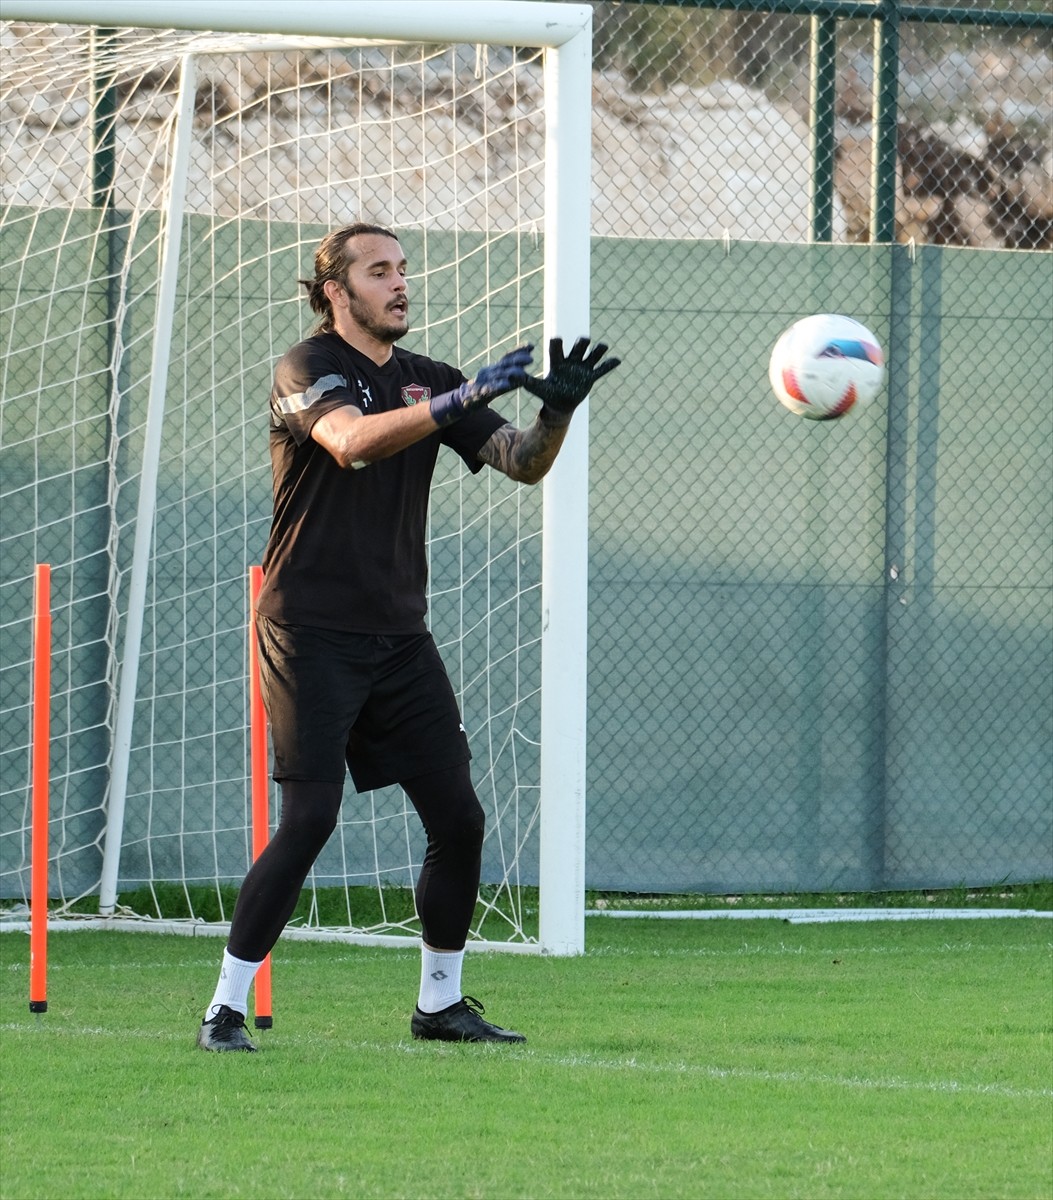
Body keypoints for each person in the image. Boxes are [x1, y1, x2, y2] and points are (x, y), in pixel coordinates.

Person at [197, 222, 620, 1051]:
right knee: (310, 818)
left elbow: (520, 461)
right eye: (379, 271)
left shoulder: (432, 379)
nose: (400, 283)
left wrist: (556, 412)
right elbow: (350, 443)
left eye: (402, 269)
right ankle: (224, 1009)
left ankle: (439, 1006)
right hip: (308, 627)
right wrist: (454, 402)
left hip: (398, 634)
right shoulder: (306, 367)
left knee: (458, 818)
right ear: (335, 291)